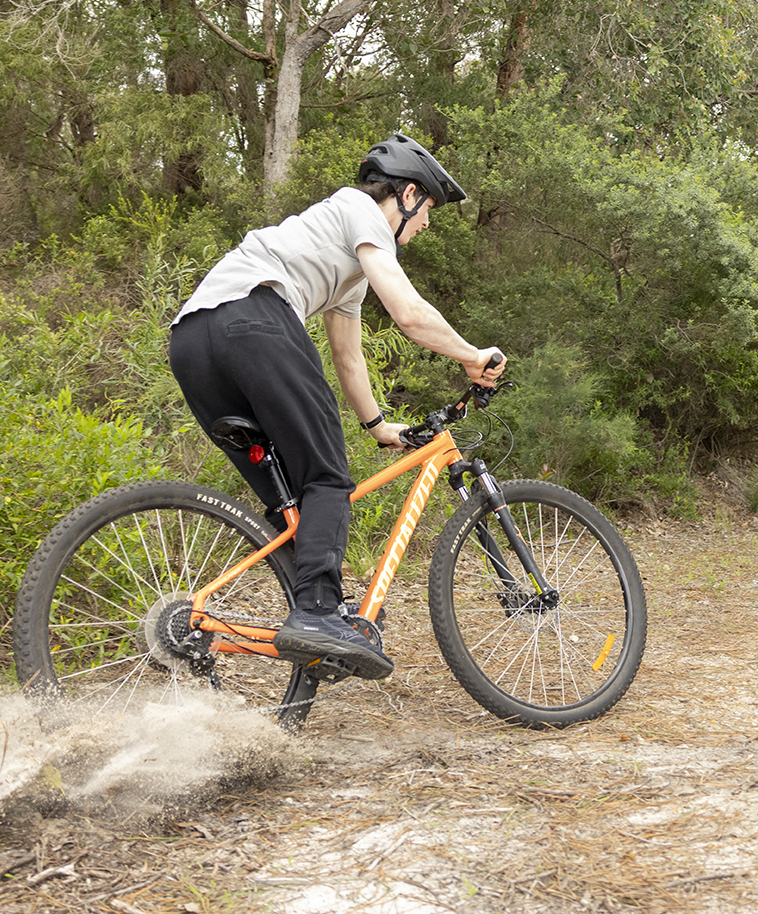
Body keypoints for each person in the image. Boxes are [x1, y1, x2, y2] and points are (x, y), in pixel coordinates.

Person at [167, 134, 505, 679]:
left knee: (294, 505)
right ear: (409, 194)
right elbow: (410, 313)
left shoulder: (341, 260)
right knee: (327, 477)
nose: (424, 228)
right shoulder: (360, 211)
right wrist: (472, 356)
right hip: (254, 319)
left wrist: (377, 425)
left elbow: (349, 360)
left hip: (192, 342)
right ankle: (319, 613)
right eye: (427, 215)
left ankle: (308, 621)